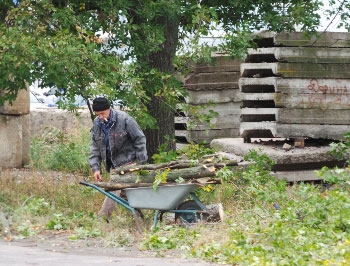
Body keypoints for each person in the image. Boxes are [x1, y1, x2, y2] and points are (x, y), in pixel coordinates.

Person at [89, 97, 148, 222]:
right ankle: (139, 219)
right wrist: (96, 168)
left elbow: (140, 139)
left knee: (114, 188)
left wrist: (142, 164)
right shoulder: (97, 124)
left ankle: (101, 220)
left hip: (128, 162)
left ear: (109, 109)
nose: (100, 116)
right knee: (126, 194)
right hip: (114, 165)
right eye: (97, 114)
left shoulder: (125, 119)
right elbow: (95, 147)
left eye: (102, 113)